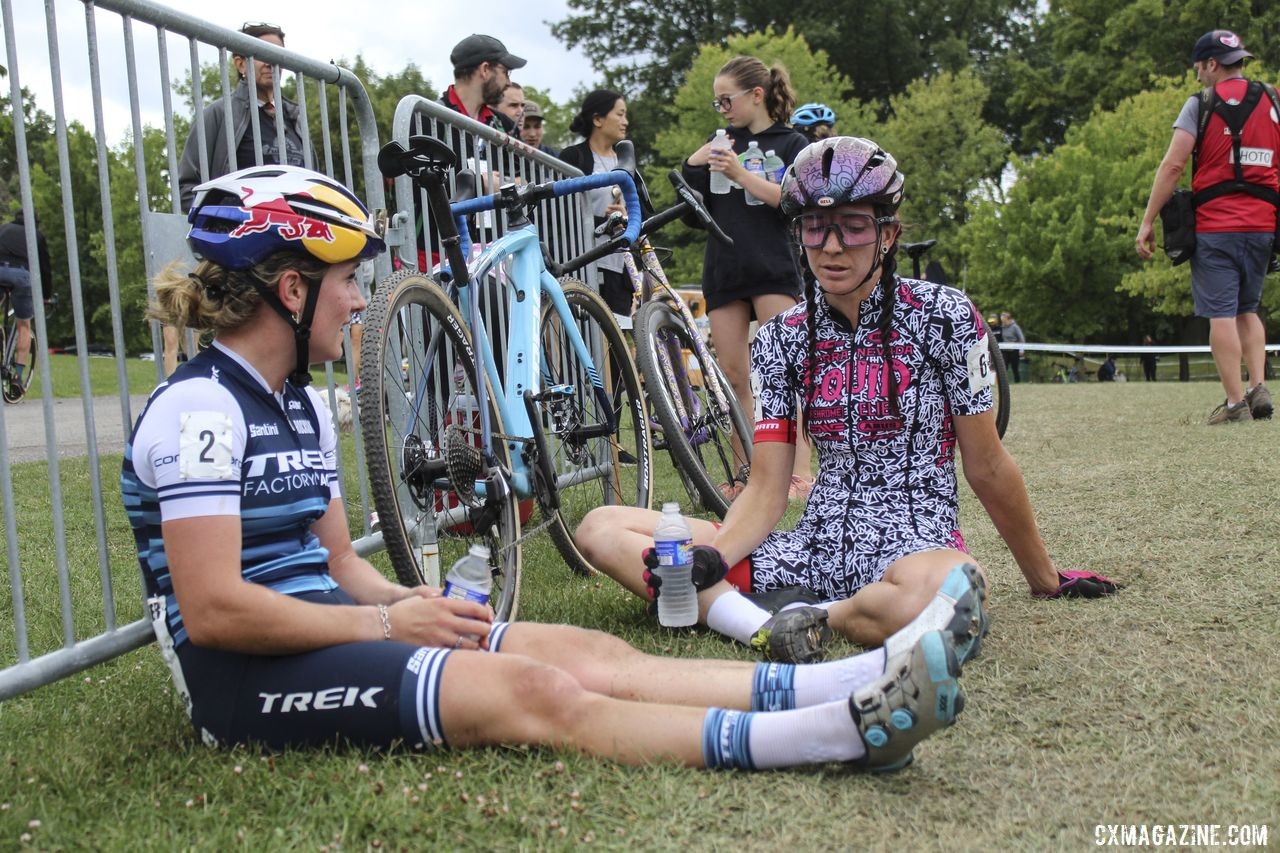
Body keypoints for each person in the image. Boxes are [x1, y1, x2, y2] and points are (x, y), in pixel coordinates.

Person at [120, 164, 968, 769]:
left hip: (329, 627)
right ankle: (837, 734)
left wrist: (406, 601)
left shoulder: (299, 401)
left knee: (585, 648)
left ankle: (859, 677)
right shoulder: (200, 408)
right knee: (537, 691)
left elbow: (340, 564)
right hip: (243, 682)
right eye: (346, 280)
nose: (357, 299)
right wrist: (382, 626)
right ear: (293, 290)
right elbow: (217, 609)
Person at [578, 137, 1120, 666]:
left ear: (889, 234)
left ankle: (784, 619)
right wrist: (715, 557)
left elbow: (987, 464)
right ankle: (769, 621)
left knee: (949, 594)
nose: (832, 247)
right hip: (811, 549)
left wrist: (1045, 579)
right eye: (815, 228)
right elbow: (768, 485)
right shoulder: (781, 336)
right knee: (600, 529)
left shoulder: (946, 316)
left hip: (914, 548)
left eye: (854, 227)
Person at [682, 56, 814, 501]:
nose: (721, 110)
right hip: (724, 268)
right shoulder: (720, 142)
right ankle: (745, 473)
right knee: (734, 376)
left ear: (756, 95)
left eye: (727, 100)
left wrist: (740, 172)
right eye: (716, 102)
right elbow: (692, 206)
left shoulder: (791, 142)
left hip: (774, 266)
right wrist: (693, 162)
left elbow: (793, 201)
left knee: (786, 372)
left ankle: (798, 472)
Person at [1135, 29, 1277, 425]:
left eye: (1199, 67)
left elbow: (1174, 165)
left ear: (1212, 64)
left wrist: (1148, 221)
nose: (1197, 76)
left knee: (1220, 313)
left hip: (1217, 225)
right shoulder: (1272, 99)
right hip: (1264, 223)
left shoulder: (1202, 103)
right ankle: (1257, 385)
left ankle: (1235, 404)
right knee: (1248, 308)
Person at [173, 22, 314, 376]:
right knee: (243, 354)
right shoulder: (218, 115)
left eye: (278, 55)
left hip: (296, 255)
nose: (271, 63)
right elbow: (189, 187)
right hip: (243, 259)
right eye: (262, 55)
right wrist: (223, 236)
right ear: (240, 63)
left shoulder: (296, 122)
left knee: (290, 353)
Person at [557, 90, 635, 317]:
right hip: (584, 264)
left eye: (626, 115)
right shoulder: (574, 157)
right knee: (583, 341)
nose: (625, 121)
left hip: (619, 269)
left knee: (617, 342)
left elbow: (642, 210)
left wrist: (626, 215)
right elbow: (560, 212)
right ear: (598, 119)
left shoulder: (626, 160)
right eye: (620, 114)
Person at [0, 209, 50, 397]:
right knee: (24, 325)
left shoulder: (3, 229)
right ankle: (18, 378)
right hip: (21, 276)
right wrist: (46, 295)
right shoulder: (36, 235)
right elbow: (45, 268)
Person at [441, 34, 523, 137]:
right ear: (485, 70)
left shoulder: (505, 126)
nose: (509, 83)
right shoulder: (428, 119)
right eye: (505, 73)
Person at [1000, 311, 1026, 383]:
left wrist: (1021, 350)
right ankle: (1004, 383)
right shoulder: (1002, 327)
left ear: (1009, 319)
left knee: (1015, 368)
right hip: (1005, 350)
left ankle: (1017, 382)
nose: (1003, 323)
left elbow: (1021, 339)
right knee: (1004, 368)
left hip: (1014, 350)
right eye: (1002, 321)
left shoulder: (1015, 327)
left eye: (1004, 321)